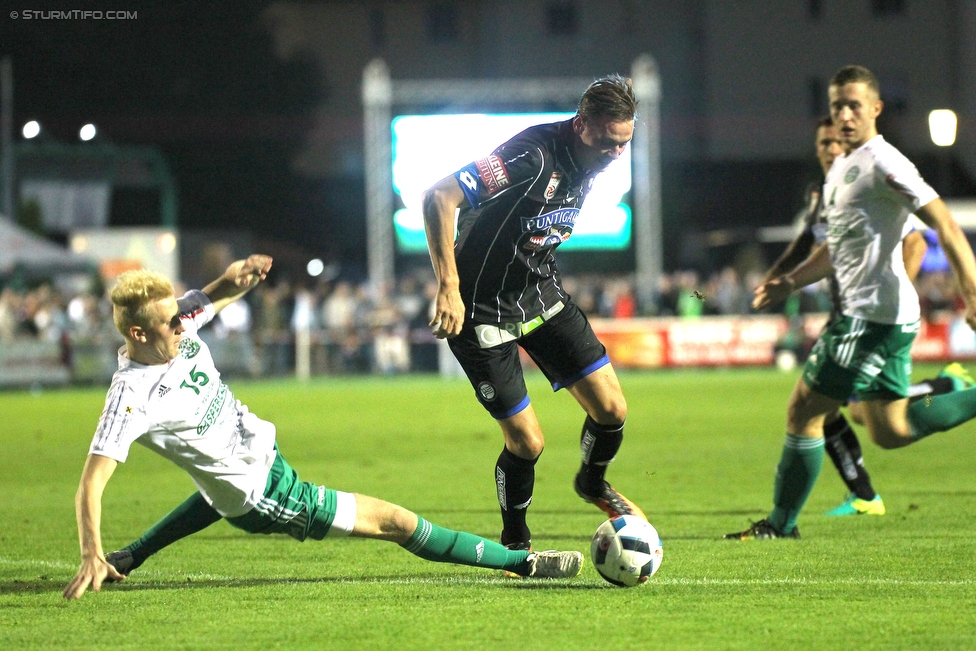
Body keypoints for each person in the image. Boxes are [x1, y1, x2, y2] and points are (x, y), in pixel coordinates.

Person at [63, 257, 583, 600]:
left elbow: (208, 298)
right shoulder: (130, 396)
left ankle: (131, 556)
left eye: (179, 315)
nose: (182, 324)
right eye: (168, 322)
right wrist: (89, 551)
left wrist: (235, 278)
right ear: (137, 333)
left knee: (215, 490)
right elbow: (92, 481)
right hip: (265, 492)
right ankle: (521, 561)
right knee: (397, 522)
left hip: (251, 462)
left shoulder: (175, 323)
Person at [726, 65, 976, 540]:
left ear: (876, 109)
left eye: (853, 105)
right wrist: (791, 282)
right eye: (837, 105)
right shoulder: (844, 165)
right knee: (890, 430)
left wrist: (971, 288)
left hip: (868, 318)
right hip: (881, 317)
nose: (843, 114)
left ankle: (781, 525)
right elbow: (835, 246)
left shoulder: (887, 163)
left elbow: (942, 223)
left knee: (804, 410)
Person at [422, 75, 644, 552]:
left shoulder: (594, 160)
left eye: (625, 144)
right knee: (528, 443)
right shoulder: (532, 156)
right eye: (609, 143)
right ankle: (515, 545)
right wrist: (449, 287)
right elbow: (440, 197)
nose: (616, 155)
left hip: (541, 297)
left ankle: (592, 482)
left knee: (612, 411)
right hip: (481, 312)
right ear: (583, 125)